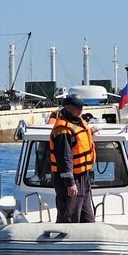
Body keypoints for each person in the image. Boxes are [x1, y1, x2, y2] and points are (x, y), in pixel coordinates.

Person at [50, 94, 99, 223]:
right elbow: (64, 158)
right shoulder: (62, 130)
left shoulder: (79, 123)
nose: (80, 109)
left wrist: (91, 132)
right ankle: (64, 242)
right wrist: (69, 183)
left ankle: (87, 240)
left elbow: (80, 140)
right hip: (70, 181)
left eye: (81, 106)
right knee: (69, 217)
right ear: (67, 107)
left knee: (87, 218)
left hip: (84, 177)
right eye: (77, 106)